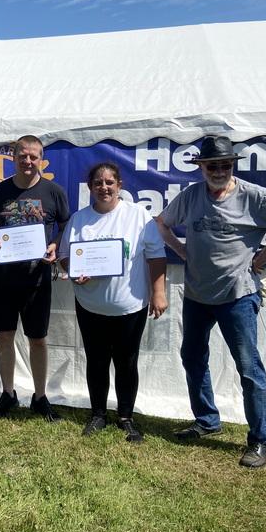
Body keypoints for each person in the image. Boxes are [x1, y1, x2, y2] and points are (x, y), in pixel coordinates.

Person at [156, 135, 266, 468]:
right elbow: (161, 223)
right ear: (201, 167)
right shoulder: (190, 196)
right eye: (212, 165)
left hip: (238, 296)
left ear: (232, 165)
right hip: (196, 296)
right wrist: (181, 251)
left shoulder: (253, 197)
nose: (218, 170)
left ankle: (259, 440)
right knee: (192, 357)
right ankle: (207, 420)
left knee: (249, 370)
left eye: (224, 165)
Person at [59, 162, 167, 441]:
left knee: (126, 362)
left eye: (109, 182)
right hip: (90, 305)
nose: (104, 187)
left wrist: (158, 292)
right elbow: (65, 256)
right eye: (98, 183)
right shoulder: (79, 219)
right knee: (96, 360)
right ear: (90, 187)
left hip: (129, 306)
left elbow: (156, 256)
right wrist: (73, 271)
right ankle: (97, 414)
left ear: (120, 185)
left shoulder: (138, 217)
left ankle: (126, 416)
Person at [0, 135, 70, 421]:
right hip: (5, 277)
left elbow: (65, 225)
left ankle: (40, 396)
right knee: (5, 336)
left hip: (37, 279)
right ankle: (8, 394)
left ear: (41, 158)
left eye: (33, 156)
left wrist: (56, 243)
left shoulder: (54, 191)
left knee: (38, 339)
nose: (28, 161)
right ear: (14, 157)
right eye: (23, 156)